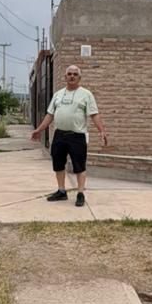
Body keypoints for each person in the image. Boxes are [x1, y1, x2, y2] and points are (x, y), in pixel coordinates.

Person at [30, 64, 108, 206]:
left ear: (79, 78)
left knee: (79, 165)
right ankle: (61, 191)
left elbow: (94, 114)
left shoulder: (86, 94)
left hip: (77, 136)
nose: (72, 76)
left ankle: (80, 193)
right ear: (65, 77)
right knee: (58, 164)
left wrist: (101, 130)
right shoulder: (58, 95)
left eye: (75, 74)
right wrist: (39, 129)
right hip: (59, 135)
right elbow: (50, 115)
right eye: (69, 74)